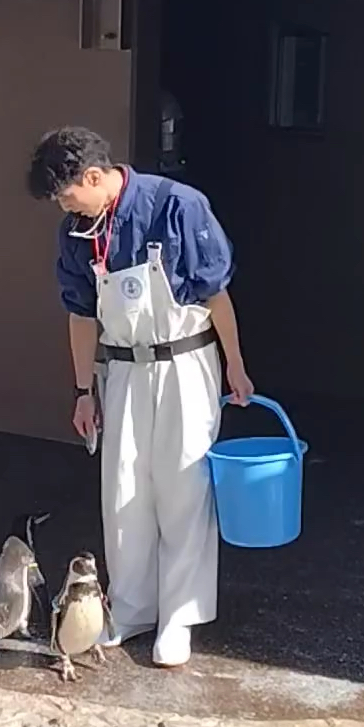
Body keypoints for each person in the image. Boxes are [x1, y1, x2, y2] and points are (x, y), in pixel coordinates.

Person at [28, 127, 253, 670]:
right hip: (123, 369)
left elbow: (215, 295)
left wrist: (236, 368)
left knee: (183, 484)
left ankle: (180, 615)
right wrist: (84, 391)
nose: (64, 206)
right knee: (124, 488)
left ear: (94, 176)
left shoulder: (177, 206)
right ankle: (130, 607)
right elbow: (81, 315)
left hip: (185, 361)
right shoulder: (77, 233)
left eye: (66, 194)